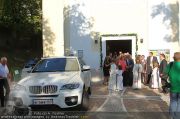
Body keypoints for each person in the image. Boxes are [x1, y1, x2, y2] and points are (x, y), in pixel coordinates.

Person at [165, 52, 180, 119]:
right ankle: (177, 117)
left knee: (173, 102)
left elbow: (164, 73)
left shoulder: (170, 64)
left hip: (173, 87)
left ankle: (171, 116)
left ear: (174, 57)